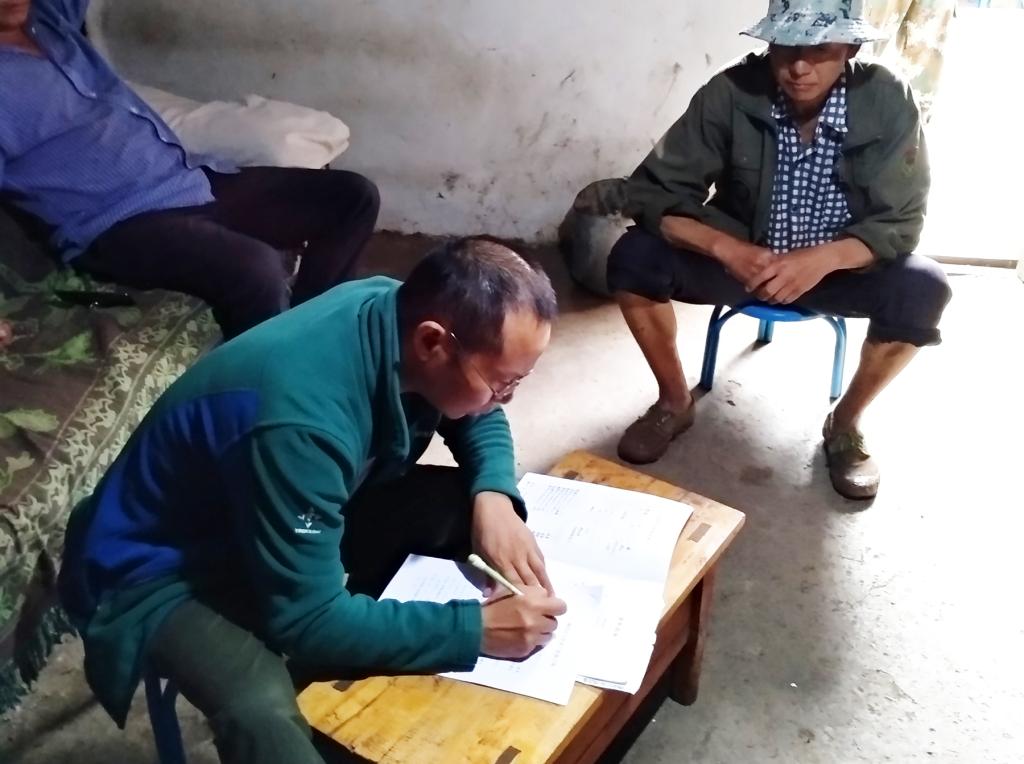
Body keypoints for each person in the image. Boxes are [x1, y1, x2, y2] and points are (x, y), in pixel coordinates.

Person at [58, 238, 567, 764]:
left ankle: (372, 658)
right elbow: (309, 622)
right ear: (432, 342)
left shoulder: (396, 310)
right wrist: (473, 630)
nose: (505, 398)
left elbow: (478, 414)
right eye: (502, 383)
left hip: (275, 506)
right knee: (261, 709)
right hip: (156, 568)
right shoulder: (300, 424)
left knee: (458, 507)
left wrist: (493, 495)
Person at [608, 0, 952, 499]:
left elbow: (900, 222)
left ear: (851, 48)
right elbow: (651, 193)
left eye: (821, 48)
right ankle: (674, 402)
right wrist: (725, 248)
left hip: (838, 272)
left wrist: (824, 259)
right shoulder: (731, 91)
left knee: (924, 289)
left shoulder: (886, 98)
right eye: (785, 47)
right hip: (742, 263)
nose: (799, 66)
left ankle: (845, 424)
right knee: (633, 257)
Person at [0, 0, 379, 339]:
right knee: (255, 269)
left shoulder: (47, 21)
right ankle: (272, 378)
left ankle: (315, 335)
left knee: (351, 198)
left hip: (188, 179)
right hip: (118, 224)